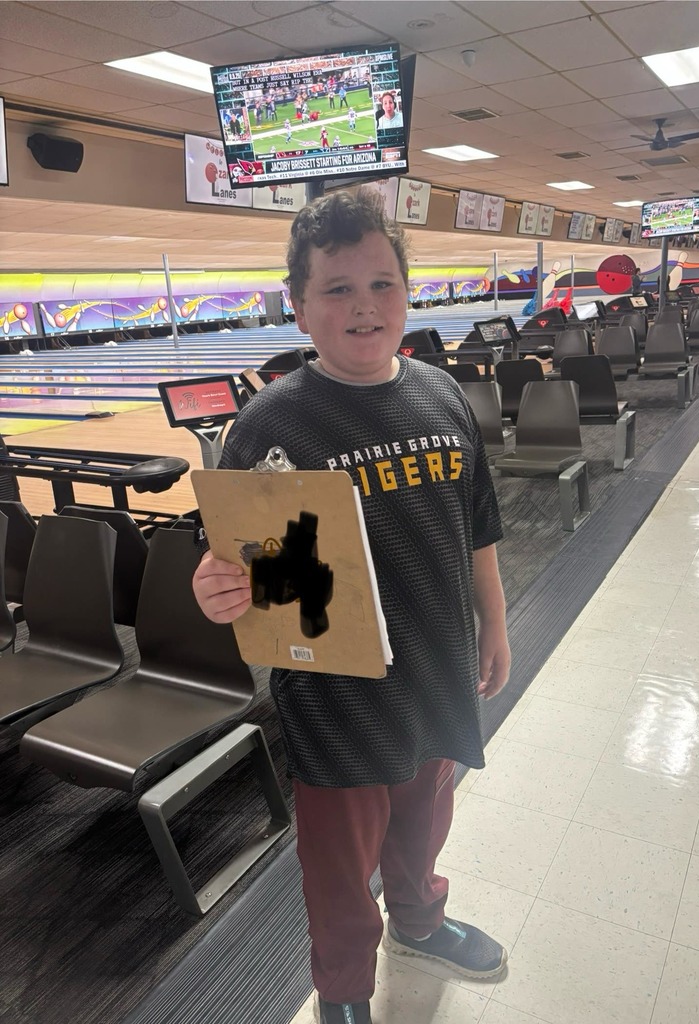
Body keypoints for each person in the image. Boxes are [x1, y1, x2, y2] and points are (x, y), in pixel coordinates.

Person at [192, 190, 511, 1024]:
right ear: (299, 306)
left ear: (410, 292)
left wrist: (496, 625)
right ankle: (342, 994)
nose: (364, 306)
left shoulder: (443, 397)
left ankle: (420, 923)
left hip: (437, 665)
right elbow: (242, 565)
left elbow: (477, 523)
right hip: (334, 697)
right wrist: (215, 587)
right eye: (337, 289)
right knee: (338, 867)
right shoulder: (269, 424)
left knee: (424, 824)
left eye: (382, 284)